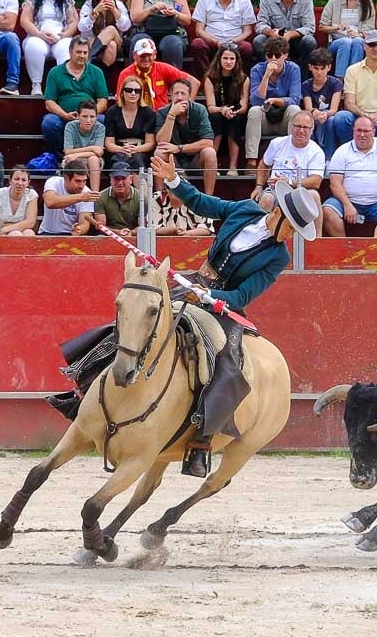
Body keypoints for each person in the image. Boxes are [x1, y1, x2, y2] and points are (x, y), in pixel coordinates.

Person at [50, 152, 320, 479]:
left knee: (228, 363)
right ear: (277, 212)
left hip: (223, 307)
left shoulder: (278, 257)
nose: (292, 236)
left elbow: (244, 294)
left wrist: (209, 296)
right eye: (292, 227)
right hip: (192, 283)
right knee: (135, 321)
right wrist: (174, 180)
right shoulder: (245, 211)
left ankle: (202, 442)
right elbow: (204, 204)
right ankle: (83, 392)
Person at [322, 115, 377, 238]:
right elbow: (335, 183)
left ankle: (374, 250)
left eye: (366, 131)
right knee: (328, 210)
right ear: (353, 131)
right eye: (358, 130)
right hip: (348, 200)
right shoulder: (342, 150)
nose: (362, 134)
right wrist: (347, 205)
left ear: (373, 131)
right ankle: (344, 249)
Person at [326, 31, 377, 149]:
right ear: (364, 46)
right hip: (358, 116)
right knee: (341, 117)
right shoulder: (352, 70)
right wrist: (364, 116)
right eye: (372, 44)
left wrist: (376, 115)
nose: (376, 48)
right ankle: (352, 152)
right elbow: (349, 103)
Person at [254, 110, 325, 236]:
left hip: (300, 192)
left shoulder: (316, 151)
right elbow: (264, 164)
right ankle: (259, 237)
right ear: (291, 127)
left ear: (311, 130)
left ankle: (318, 239)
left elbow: (316, 181)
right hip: (274, 189)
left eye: (305, 127)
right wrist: (259, 186)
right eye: (298, 126)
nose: (301, 130)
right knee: (266, 199)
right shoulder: (277, 143)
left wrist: (290, 182)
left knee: (314, 195)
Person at [40, 36, 109, 157]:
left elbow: (103, 100)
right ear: (70, 52)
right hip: (64, 117)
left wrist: (89, 116)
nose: (82, 55)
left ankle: (90, 157)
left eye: (85, 52)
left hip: (89, 116)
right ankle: (62, 158)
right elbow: (49, 102)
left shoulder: (97, 72)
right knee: (49, 123)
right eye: (78, 52)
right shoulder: (55, 72)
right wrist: (65, 115)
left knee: (102, 120)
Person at [19, 0, 78, 97]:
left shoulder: (66, 0)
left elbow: (73, 21)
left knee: (67, 47)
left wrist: (64, 35)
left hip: (60, 37)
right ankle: (36, 85)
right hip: (38, 36)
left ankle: (63, 87)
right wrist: (39, 34)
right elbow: (25, 20)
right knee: (34, 46)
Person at [245, 36, 303, 170]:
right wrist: (266, 75)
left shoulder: (293, 69)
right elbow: (255, 101)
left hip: (284, 118)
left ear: (285, 55)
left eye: (277, 55)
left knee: (295, 109)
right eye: (269, 55)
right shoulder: (257, 70)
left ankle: (290, 156)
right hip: (265, 118)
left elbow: (295, 98)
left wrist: (276, 100)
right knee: (254, 111)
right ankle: (251, 161)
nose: (273, 59)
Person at [154, 78, 218, 195]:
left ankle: (209, 199)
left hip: (195, 159)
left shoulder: (199, 110)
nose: (179, 97)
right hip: (174, 160)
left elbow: (208, 142)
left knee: (210, 152)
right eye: (176, 93)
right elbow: (161, 142)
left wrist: (179, 148)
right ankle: (159, 197)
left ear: (189, 96)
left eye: (183, 93)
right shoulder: (162, 112)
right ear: (171, 95)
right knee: (159, 152)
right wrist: (171, 115)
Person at [127, 0, 192, 70]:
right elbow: (135, 18)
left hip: (172, 32)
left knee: (172, 44)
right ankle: (136, 81)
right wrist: (151, 10)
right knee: (141, 42)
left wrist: (175, 13)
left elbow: (187, 20)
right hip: (145, 31)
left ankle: (174, 82)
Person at [190, 0, 256, 75]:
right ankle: (206, 82)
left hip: (235, 42)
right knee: (197, 44)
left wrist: (234, 41)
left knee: (247, 48)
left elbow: (248, 31)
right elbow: (199, 30)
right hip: (211, 42)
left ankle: (241, 82)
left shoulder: (244, 1)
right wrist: (214, 41)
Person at [255, 0, 317, 69]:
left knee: (309, 41)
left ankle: (301, 79)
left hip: (296, 40)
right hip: (274, 39)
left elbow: (310, 27)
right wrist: (271, 33)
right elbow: (260, 24)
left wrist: (290, 35)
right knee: (259, 41)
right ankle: (267, 75)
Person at [205, 45, 250, 175]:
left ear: (237, 61)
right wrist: (222, 110)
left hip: (236, 113)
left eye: (232, 58)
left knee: (234, 120)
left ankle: (233, 166)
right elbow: (210, 106)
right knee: (216, 118)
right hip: (217, 113)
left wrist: (233, 111)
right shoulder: (210, 78)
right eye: (225, 58)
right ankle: (212, 165)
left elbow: (243, 104)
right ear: (219, 59)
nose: (228, 62)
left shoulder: (244, 79)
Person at [117, 37, 196, 111]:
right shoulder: (125, 74)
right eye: (142, 56)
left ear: (155, 55)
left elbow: (194, 82)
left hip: (161, 116)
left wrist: (186, 106)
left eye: (149, 55)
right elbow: (119, 101)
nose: (146, 59)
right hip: (136, 117)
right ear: (134, 56)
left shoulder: (163, 68)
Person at [321, 0, 373, 77]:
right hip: (336, 41)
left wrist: (359, 34)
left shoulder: (367, 3)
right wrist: (337, 27)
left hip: (357, 39)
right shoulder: (335, 1)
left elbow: (370, 28)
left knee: (358, 41)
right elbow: (322, 26)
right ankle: (339, 82)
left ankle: (353, 80)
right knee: (346, 42)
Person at [79, 0, 132, 72]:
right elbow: (81, 27)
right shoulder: (88, 5)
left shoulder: (118, 5)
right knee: (111, 45)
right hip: (94, 41)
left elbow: (126, 27)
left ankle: (89, 58)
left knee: (111, 30)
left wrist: (114, 10)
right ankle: (103, 77)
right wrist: (95, 12)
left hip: (117, 42)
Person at [106, 74, 157, 170]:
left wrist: (135, 149)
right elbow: (109, 143)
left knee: (137, 159)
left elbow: (150, 143)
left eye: (137, 91)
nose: (133, 93)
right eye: (129, 90)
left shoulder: (148, 112)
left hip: (141, 150)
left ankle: (141, 185)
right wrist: (122, 149)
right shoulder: (112, 112)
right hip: (118, 149)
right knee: (119, 161)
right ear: (122, 92)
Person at [38, 158, 95, 236]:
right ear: (66, 178)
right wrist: (81, 197)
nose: (81, 186)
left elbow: (85, 222)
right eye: (78, 181)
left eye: (84, 181)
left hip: (70, 234)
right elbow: (50, 202)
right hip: (47, 233)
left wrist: (80, 230)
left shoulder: (86, 193)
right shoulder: (53, 181)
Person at [302, 48, 343, 150]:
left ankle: (328, 156)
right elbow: (308, 108)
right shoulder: (306, 85)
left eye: (322, 68)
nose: (319, 72)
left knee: (330, 120)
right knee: (308, 120)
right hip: (314, 116)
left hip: (328, 116)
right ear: (310, 67)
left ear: (329, 67)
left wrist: (325, 114)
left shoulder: (336, 83)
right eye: (316, 68)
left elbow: (334, 109)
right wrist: (314, 112)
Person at [62, 101, 107, 192]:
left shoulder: (100, 128)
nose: (88, 120)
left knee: (93, 159)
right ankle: (74, 193)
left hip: (90, 159)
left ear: (96, 117)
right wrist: (92, 148)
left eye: (92, 117)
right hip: (73, 158)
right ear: (78, 116)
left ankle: (95, 195)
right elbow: (67, 151)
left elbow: (99, 152)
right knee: (73, 161)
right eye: (84, 116)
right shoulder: (70, 126)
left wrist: (77, 154)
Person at [91, 158, 139, 235]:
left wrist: (132, 232)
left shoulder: (141, 198)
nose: (120, 183)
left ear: (131, 179)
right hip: (108, 236)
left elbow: (143, 226)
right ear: (110, 179)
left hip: (135, 236)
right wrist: (118, 233)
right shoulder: (101, 197)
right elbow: (101, 227)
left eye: (123, 178)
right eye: (116, 178)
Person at [150, 184, 216, 237]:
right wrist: (174, 230)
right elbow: (154, 228)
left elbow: (207, 228)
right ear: (167, 190)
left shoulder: (197, 198)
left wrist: (188, 233)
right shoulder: (157, 198)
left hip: (193, 240)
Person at [0, 165, 39, 236]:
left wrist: (7, 228)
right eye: (16, 179)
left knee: (29, 233)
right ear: (10, 180)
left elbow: (30, 222)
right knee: (16, 234)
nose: (20, 183)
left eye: (23, 180)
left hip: (21, 229)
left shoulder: (31, 195)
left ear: (28, 182)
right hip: (0, 231)